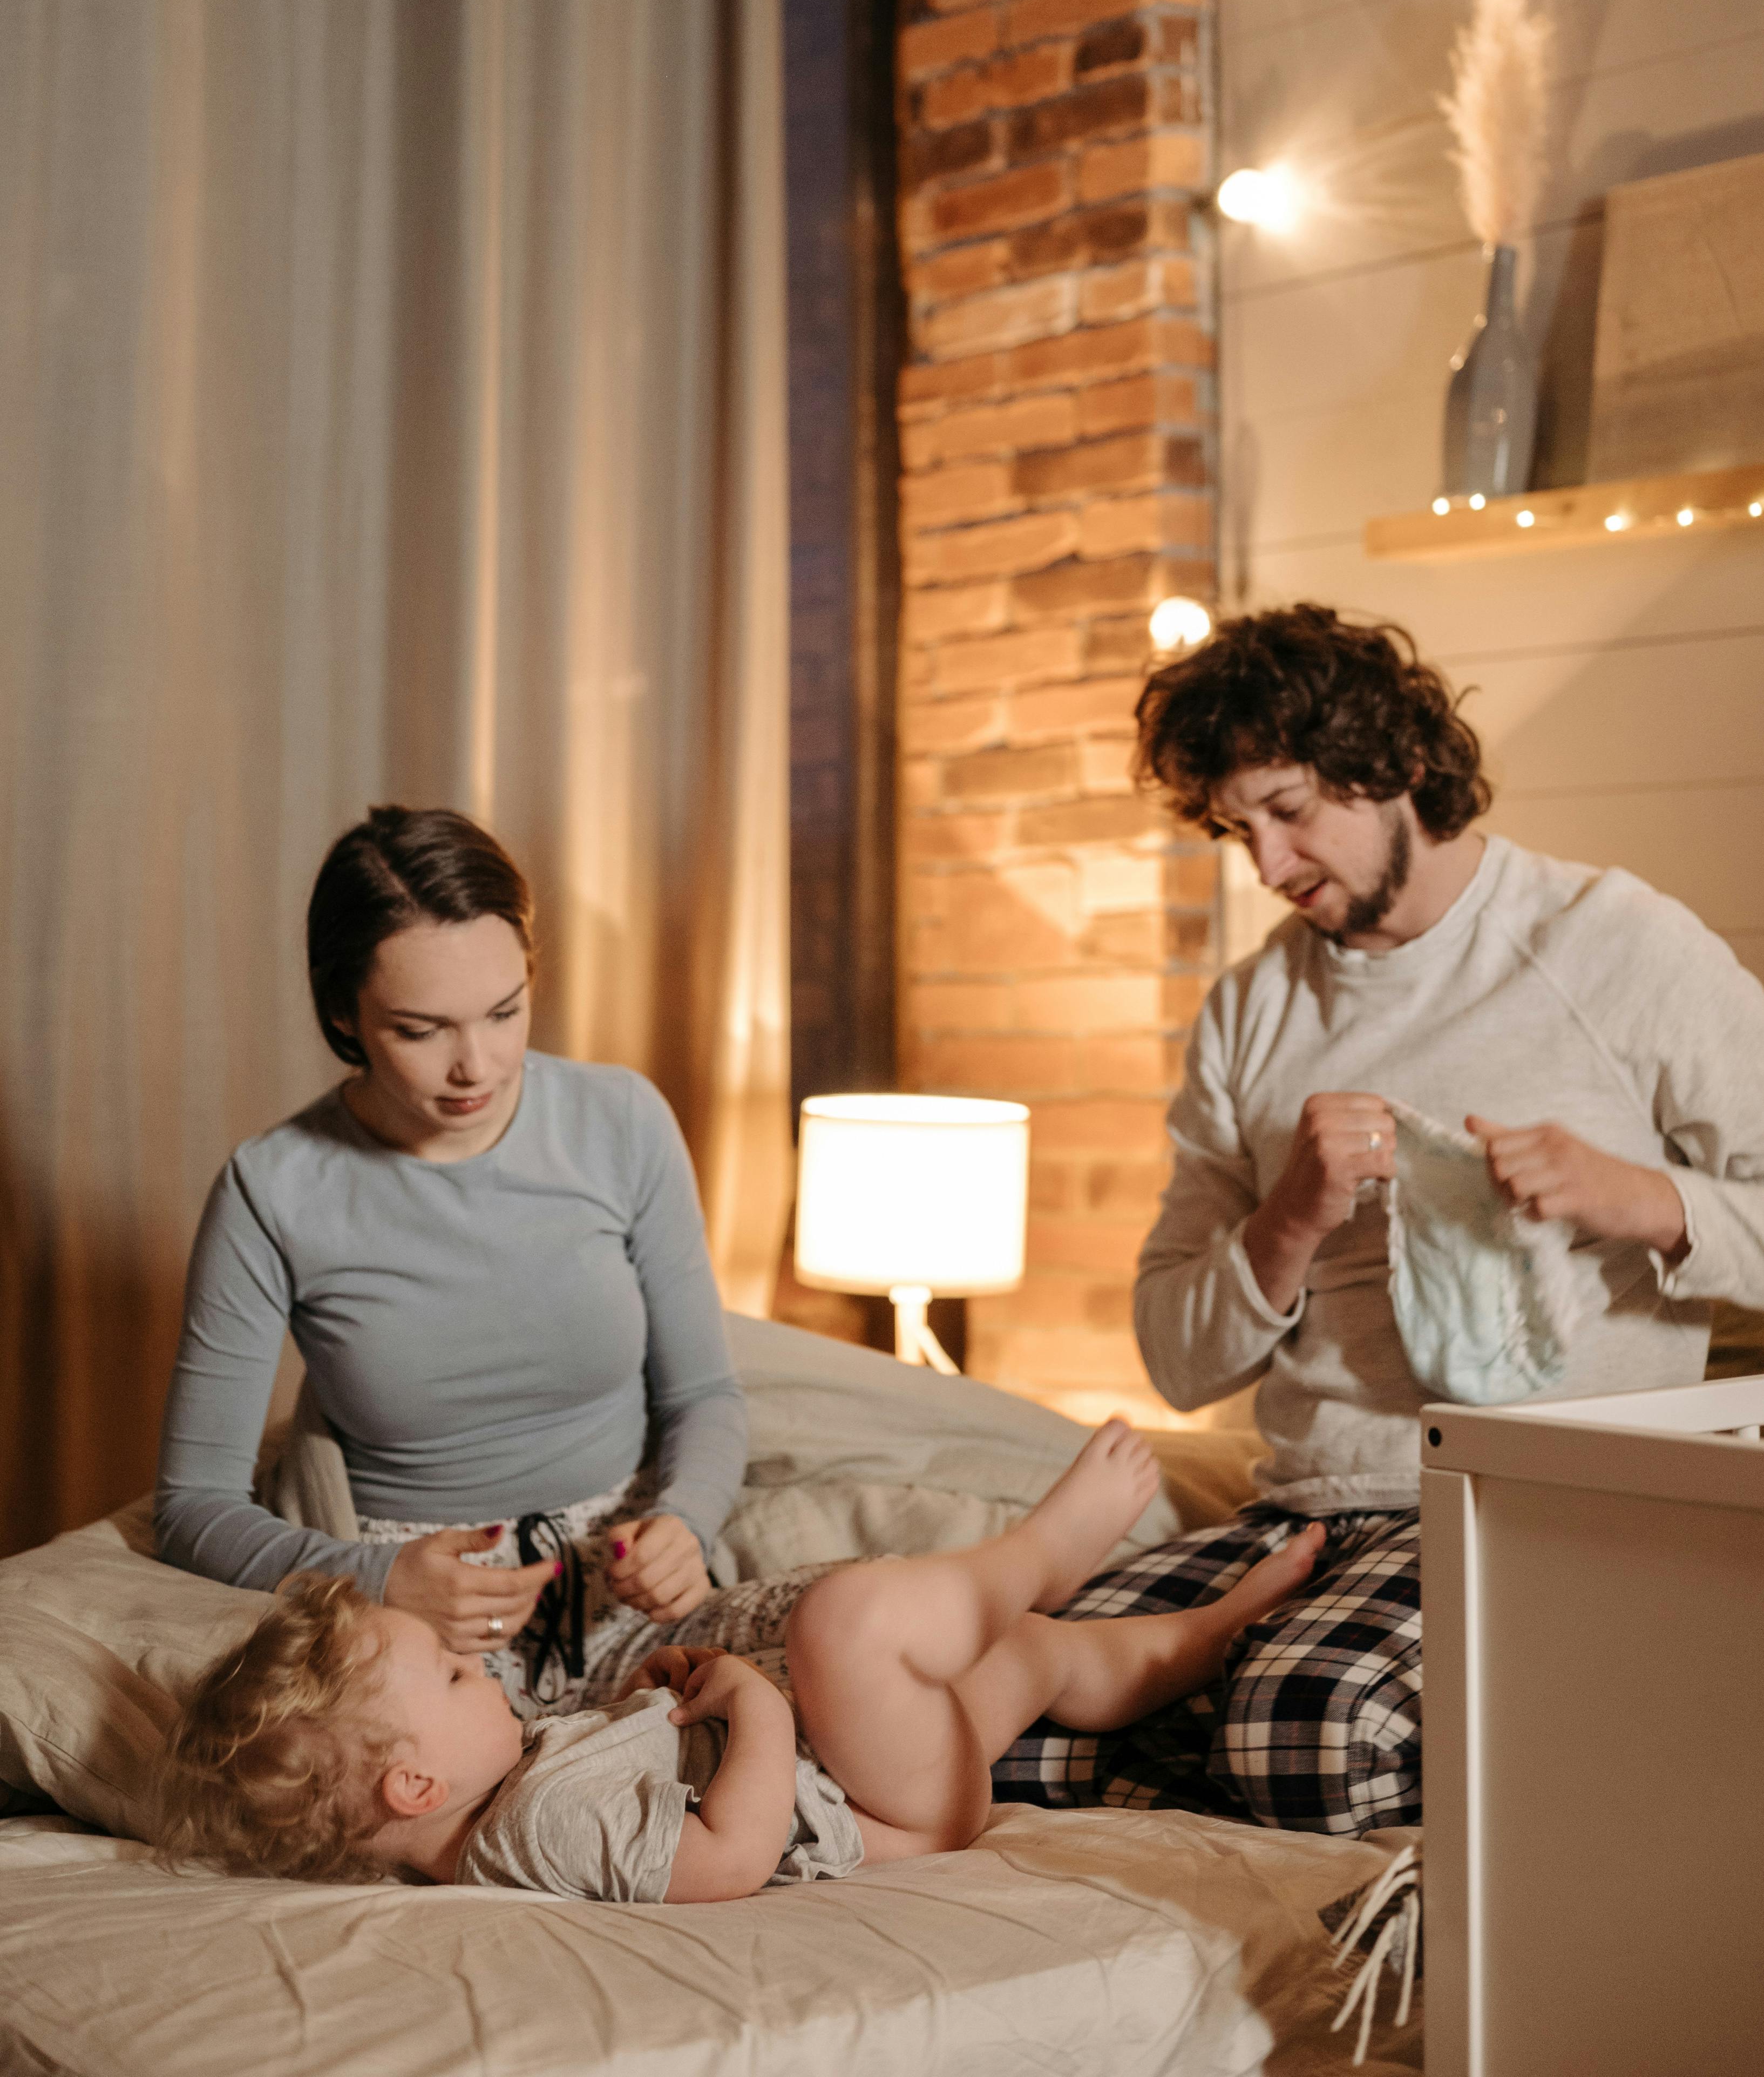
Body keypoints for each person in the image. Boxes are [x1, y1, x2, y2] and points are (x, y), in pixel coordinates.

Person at [999, 604, 1764, 1838]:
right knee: (978, 1695)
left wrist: (1642, 1200)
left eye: (1289, 808)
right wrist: (1286, 1223)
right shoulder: (1251, 1013)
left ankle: (1273, 1740)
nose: (1266, 865)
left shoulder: (1612, 945)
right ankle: (1279, 1743)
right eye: (1235, 829)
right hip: (1306, 1512)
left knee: (1302, 1732)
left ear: (1395, 763)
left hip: (1531, 1509)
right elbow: (1173, 1357)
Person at [156, 805, 772, 1716]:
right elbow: (193, 1507)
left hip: (636, 1588)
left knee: (873, 1648)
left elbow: (703, 1398)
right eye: (421, 1029)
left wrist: (686, 1520)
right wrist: (376, 1578)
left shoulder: (622, 1121)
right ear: (343, 1012)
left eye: (504, 1011)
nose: (475, 1065)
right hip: (421, 1633)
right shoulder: (272, 1188)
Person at [155, 1421, 1323, 1895]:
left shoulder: (507, 1796)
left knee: (1041, 1662)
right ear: (414, 1788)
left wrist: (652, 1681)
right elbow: (729, 1856)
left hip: (872, 1767)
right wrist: (754, 1709)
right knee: (840, 1629)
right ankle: (1034, 1552)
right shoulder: (535, 1826)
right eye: (460, 1680)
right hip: (883, 1811)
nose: (487, 1677)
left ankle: (1203, 1634)